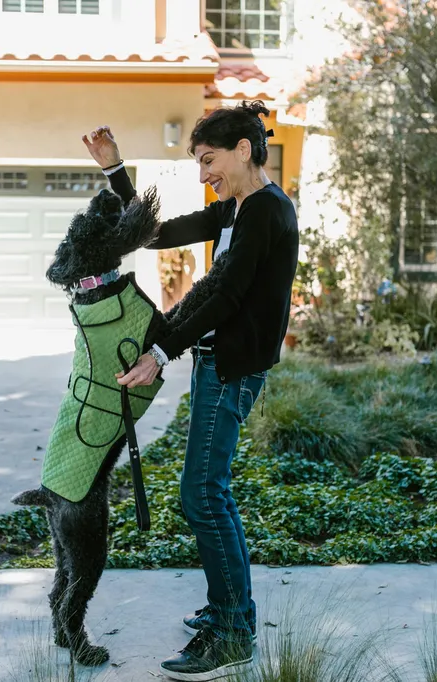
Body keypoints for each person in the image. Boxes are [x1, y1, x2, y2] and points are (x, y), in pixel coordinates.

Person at [82, 100, 299, 681]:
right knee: (209, 492)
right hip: (216, 362)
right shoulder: (235, 208)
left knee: (203, 494)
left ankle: (232, 633)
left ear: (243, 150)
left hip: (231, 368)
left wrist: (160, 353)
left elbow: (227, 295)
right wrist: (115, 170)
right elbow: (156, 235)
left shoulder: (266, 211)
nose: (204, 174)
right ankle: (231, 612)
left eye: (208, 160)